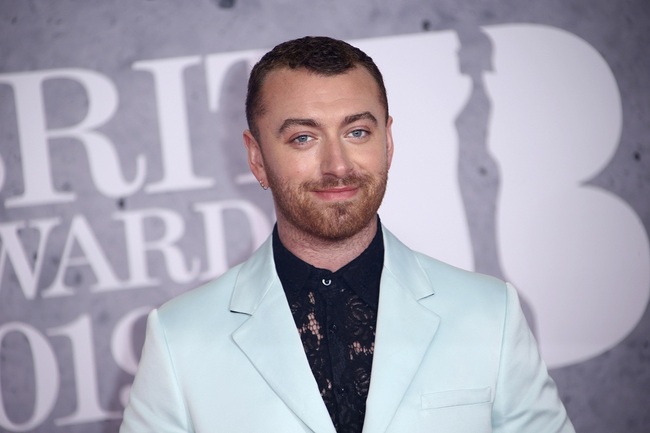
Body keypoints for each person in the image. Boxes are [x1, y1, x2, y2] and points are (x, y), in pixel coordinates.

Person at [120, 36, 574, 433]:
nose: (338, 166)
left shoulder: (490, 314)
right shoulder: (179, 338)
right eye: (303, 138)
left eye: (357, 132)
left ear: (387, 143)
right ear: (257, 159)